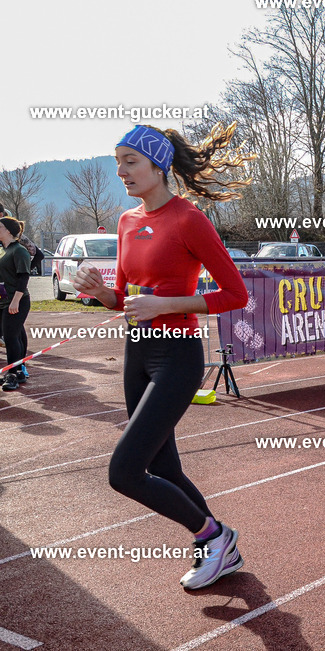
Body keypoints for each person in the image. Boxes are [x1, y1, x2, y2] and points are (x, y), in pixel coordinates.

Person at [72, 123, 252, 589]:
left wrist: (166, 304)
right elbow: (128, 296)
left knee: (125, 472)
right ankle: (219, 548)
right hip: (138, 352)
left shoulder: (189, 219)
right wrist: (101, 294)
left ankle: (213, 535)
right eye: (118, 161)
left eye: (130, 161)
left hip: (177, 356)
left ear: (158, 165)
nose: (120, 171)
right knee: (162, 467)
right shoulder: (127, 221)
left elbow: (236, 294)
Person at [0, 217, 32, 391]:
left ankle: (14, 373)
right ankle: (16, 371)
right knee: (9, 336)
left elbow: (23, 277)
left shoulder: (19, 251)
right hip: (2, 300)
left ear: (9, 231)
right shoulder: (2, 250)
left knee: (11, 337)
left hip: (16, 300)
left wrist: (15, 301)